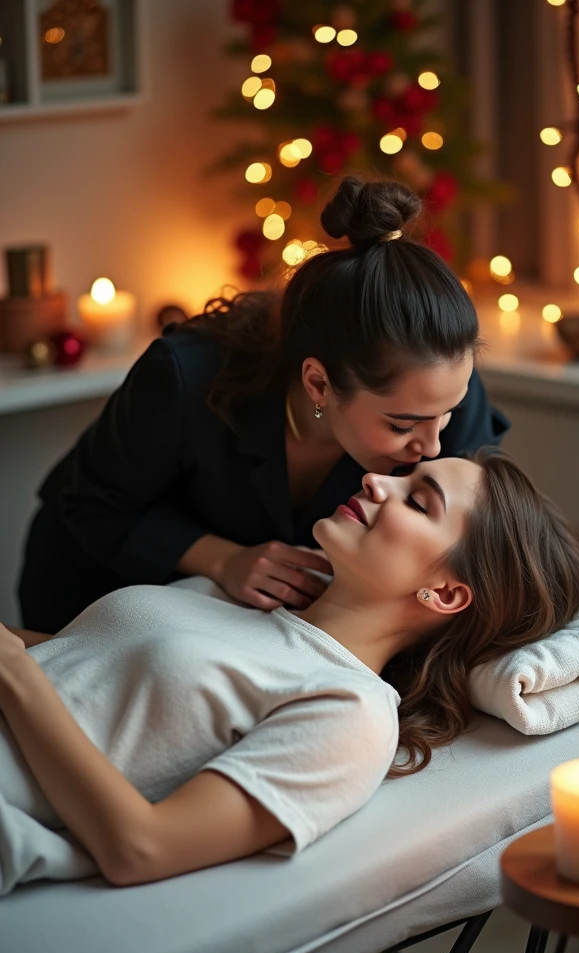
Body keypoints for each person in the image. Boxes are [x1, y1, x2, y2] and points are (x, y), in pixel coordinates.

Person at [1, 450, 579, 903]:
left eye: (417, 501)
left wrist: (14, 674)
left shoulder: (349, 709)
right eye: (404, 475)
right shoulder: (244, 592)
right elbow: (79, 670)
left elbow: (141, 848)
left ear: (443, 592)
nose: (375, 481)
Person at [18, 175, 509, 637]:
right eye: (402, 425)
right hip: (96, 588)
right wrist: (222, 560)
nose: (433, 445)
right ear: (318, 383)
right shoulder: (185, 377)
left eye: (448, 413)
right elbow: (92, 506)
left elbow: (479, 543)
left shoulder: (439, 390)